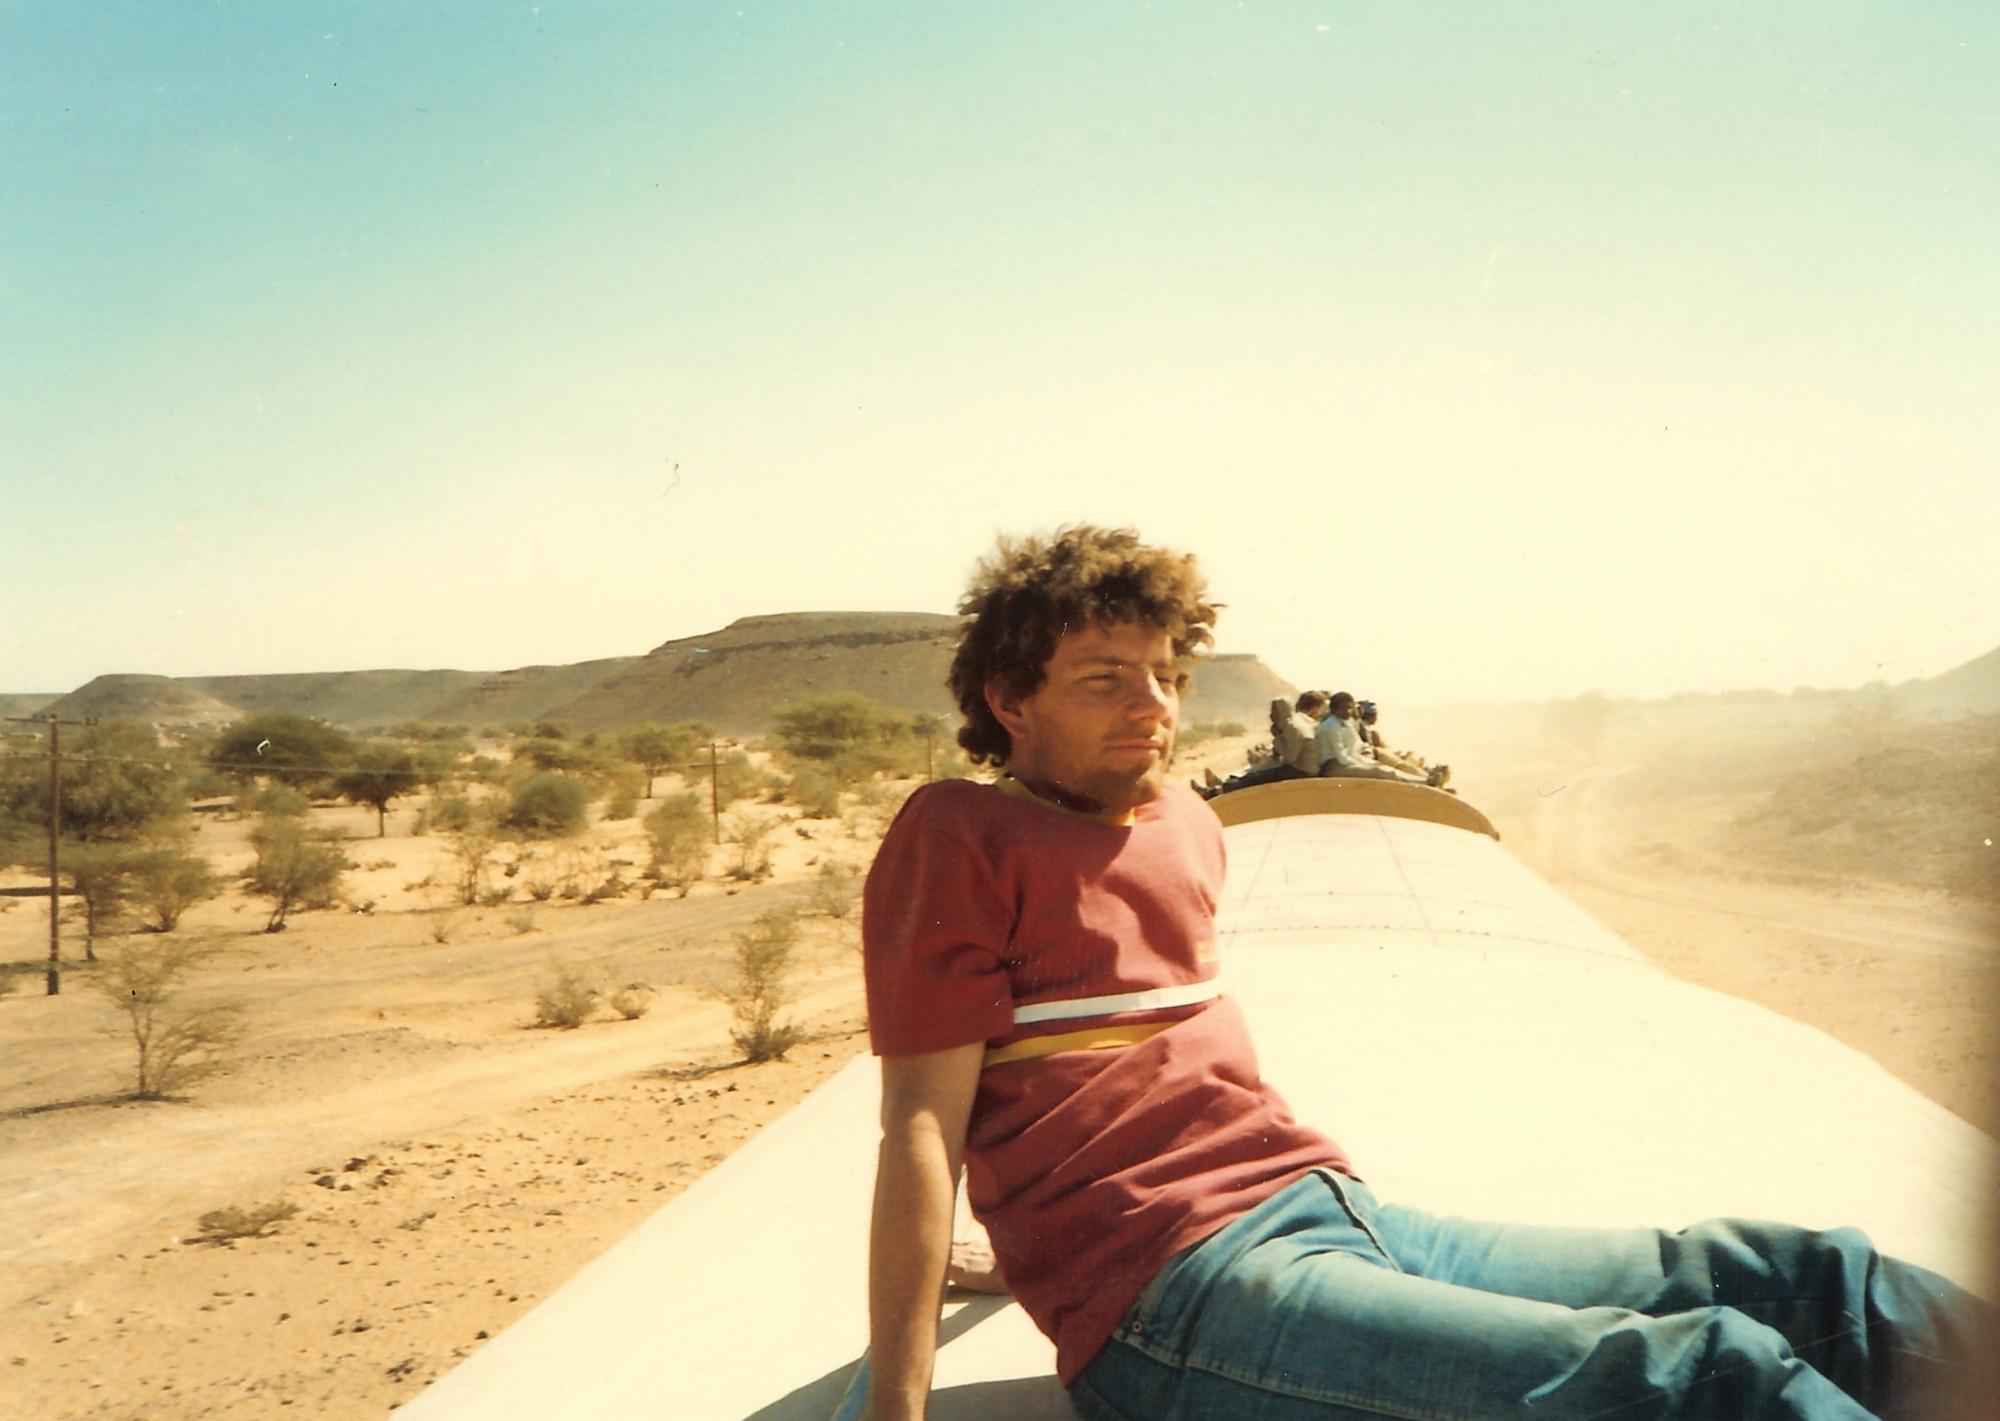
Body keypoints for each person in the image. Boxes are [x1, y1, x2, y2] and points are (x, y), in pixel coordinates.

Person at [861, 524, 1987, 1421]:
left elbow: (1127, 1067)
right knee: (1700, 1375)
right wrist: (895, 1405)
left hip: (1323, 1206)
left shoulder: (1184, 821)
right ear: (1010, 700)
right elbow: (924, 1124)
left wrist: (1022, 1240)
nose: (1151, 705)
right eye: (1104, 678)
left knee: (1801, 1274)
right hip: (1177, 1304)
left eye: (1162, 672)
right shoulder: (958, 834)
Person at [1196, 691, 1324, 798]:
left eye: (1273, 710)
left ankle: (1214, 793)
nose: (1271, 715)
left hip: (1302, 771)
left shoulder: (1293, 727)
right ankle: (1222, 786)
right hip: (1299, 767)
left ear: (1281, 710)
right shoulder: (1290, 723)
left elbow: (1291, 757)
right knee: (1257, 771)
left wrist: (1277, 738)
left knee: (1255, 777)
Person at [1317, 689, 1448, 787]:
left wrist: (1366, 763)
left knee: (1382, 767)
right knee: (1379, 772)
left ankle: (1423, 780)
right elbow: (1341, 756)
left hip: (1347, 761)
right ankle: (1423, 782)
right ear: (1335, 709)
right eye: (1344, 709)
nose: (1349, 712)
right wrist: (1364, 765)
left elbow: (1352, 750)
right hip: (1333, 766)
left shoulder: (1346, 723)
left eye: (1350, 708)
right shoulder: (1330, 726)